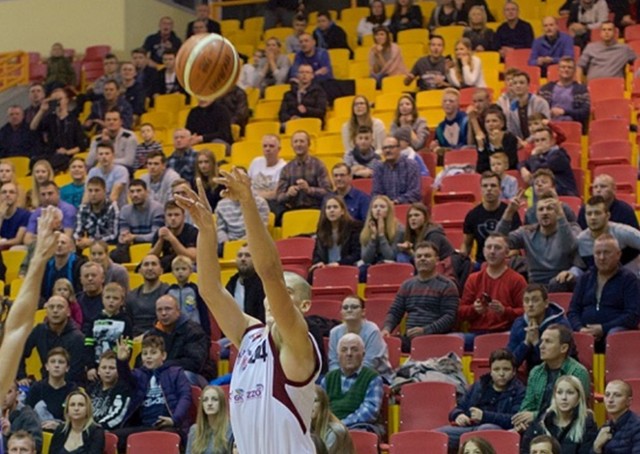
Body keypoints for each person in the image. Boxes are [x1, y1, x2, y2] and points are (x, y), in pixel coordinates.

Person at [175, 168, 321, 453]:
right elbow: (210, 291)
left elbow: (270, 274)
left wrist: (248, 204)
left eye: (287, 294)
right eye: (273, 295)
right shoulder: (251, 335)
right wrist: (206, 230)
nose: (271, 298)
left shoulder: (297, 343)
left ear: (303, 305)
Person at [438, 349, 525, 452]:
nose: (501, 373)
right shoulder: (479, 385)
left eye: (506, 369)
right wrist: (459, 415)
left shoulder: (520, 390)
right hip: (469, 428)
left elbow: (514, 420)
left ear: (514, 372)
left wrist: (484, 416)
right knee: (438, 435)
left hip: (498, 431)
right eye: (496, 369)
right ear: (491, 371)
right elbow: (458, 408)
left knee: (485, 428)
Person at [113, 335, 192, 450]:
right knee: (113, 437)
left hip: (170, 425)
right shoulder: (139, 374)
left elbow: (185, 396)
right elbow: (125, 378)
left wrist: (174, 420)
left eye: (153, 353)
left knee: (164, 437)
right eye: (145, 354)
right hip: (144, 426)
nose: (148, 357)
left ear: (163, 355)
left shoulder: (175, 372)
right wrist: (122, 361)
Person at [382, 241, 460, 352]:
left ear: (437, 260)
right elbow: (395, 311)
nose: (422, 259)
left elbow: (449, 318)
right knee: (381, 344)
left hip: (436, 340)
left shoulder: (448, 286)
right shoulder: (407, 285)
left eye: (427, 256)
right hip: (409, 340)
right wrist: (387, 329)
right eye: (419, 256)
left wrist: (425, 330)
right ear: (414, 260)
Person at [512, 324, 591, 433]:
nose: (541, 346)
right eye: (541, 341)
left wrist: (535, 416)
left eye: (548, 342)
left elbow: (574, 411)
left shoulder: (578, 372)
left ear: (563, 348)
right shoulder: (535, 372)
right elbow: (527, 406)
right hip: (536, 428)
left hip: (567, 430)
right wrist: (522, 421)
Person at [568, 234, 640, 348]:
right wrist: (580, 329)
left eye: (606, 252)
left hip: (614, 332)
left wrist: (603, 328)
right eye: (598, 253)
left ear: (618, 255)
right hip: (584, 331)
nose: (601, 257)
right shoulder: (584, 278)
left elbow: (632, 315)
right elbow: (573, 311)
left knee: (614, 335)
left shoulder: (629, 279)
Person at [497, 190, 581, 287]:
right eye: (541, 209)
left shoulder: (572, 228)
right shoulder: (527, 232)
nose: (545, 213)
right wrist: (509, 213)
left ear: (558, 210)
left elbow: (568, 247)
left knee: (557, 283)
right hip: (535, 287)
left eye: (550, 208)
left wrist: (561, 215)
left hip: (561, 283)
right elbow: (499, 242)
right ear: (536, 214)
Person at [458, 233, 526, 350]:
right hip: (477, 334)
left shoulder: (517, 280)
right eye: (489, 247)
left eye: (497, 248)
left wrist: (504, 311)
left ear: (507, 252)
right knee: (452, 339)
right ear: (483, 251)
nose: (492, 251)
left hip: (506, 333)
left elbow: (526, 313)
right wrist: (474, 309)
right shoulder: (473, 279)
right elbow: (461, 311)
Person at [321, 333, 384, 432]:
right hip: (330, 427)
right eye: (344, 350)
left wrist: (341, 424)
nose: (349, 354)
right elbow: (321, 407)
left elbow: (370, 410)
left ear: (363, 355)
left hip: (359, 426)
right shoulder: (328, 378)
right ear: (338, 356)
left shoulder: (373, 378)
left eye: (354, 350)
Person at [148, 295, 215, 386]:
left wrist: (163, 365)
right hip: (160, 374)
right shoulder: (151, 334)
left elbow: (194, 363)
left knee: (182, 376)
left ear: (178, 311)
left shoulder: (194, 331)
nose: (163, 313)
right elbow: (141, 360)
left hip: (195, 376)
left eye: (168, 309)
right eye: (159, 310)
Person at [520, 375, 598, 454]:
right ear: (554, 396)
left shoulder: (587, 425)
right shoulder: (541, 421)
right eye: (559, 392)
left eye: (570, 393)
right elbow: (525, 450)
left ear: (578, 398)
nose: (564, 397)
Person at [18, 294, 85, 384]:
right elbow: (19, 352)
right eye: (51, 307)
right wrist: (22, 376)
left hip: (69, 387)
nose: (55, 310)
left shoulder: (78, 338)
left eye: (60, 307)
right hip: (44, 383)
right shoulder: (39, 330)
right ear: (46, 311)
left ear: (68, 312)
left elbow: (75, 373)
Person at [507, 284, 572, 372]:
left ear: (546, 303)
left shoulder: (560, 324)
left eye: (535, 300)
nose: (530, 305)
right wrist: (526, 343)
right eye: (526, 301)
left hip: (561, 374)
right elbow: (510, 363)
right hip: (532, 375)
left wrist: (536, 343)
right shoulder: (519, 324)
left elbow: (557, 361)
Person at [328, 296, 392, 383]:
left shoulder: (372, 330)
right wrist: (337, 379)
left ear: (363, 312)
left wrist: (350, 380)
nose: (349, 310)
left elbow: (370, 363)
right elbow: (333, 362)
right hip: (342, 377)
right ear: (341, 312)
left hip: (375, 376)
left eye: (354, 307)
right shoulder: (334, 332)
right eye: (345, 308)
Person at [461, 171, 522, 264]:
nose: (489, 189)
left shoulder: (511, 212)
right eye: (485, 186)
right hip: (481, 264)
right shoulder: (472, 215)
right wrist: (462, 260)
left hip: (506, 262)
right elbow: (466, 244)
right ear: (480, 189)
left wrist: (501, 257)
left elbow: (516, 249)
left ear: (500, 189)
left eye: (493, 186)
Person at [29, 87, 87, 172]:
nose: (58, 102)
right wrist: (42, 110)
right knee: (34, 161)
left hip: (66, 155)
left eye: (60, 99)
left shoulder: (73, 120)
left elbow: (82, 145)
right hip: (50, 154)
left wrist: (67, 152)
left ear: (66, 100)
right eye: (55, 100)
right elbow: (33, 127)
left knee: (58, 161)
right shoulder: (50, 118)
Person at [275, 131, 331, 218]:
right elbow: (279, 197)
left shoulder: (318, 165)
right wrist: (288, 194)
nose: (298, 144)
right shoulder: (286, 169)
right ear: (292, 145)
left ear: (309, 144)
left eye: (302, 141)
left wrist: (309, 190)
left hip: (315, 210)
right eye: (296, 141)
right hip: (293, 211)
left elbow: (328, 192)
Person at [84, 282, 132, 382]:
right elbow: (88, 345)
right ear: (102, 299)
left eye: (115, 298)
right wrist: (90, 367)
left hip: (116, 368)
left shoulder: (126, 321)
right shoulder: (94, 320)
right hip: (97, 368)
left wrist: (122, 364)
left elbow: (128, 346)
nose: (111, 301)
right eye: (108, 297)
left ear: (122, 301)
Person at [110, 180, 164, 264]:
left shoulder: (157, 209)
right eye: (132, 192)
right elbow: (124, 234)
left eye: (139, 191)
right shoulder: (125, 210)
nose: (135, 195)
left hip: (153, 247)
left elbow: (155, 236)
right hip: (130, 246)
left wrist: (135, 237)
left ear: (147, 192)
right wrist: (125, 237)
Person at [25, 347, 78, 431]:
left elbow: (78, 419)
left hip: (64, 434)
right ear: (46, 366)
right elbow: (26, 415)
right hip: (38, 433)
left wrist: (59, 426)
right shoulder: (36, 388)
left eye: (61, 362)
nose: (56, 365)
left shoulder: (73, 390)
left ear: (67, 368)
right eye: (53, 362)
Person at [309, 196, 362, 274]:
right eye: (328, 208)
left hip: (346, 266)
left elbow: (357, 254)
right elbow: (317, 253)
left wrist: (339, 263)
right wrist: (319, 262)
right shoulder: (321, 230)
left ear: (342, 211)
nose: (332, 210)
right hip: (326, 268)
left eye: (335, 207)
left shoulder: (354, 228)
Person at [520, 127, 578, 197]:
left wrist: (533, 156)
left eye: (543, 140)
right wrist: (523, 169)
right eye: (537, 141)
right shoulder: (539, 156)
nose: (540, 143)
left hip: (564, 193)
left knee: (538, 188)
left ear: (552, 141)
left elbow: (538, 169)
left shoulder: (559, 155)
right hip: (545, 194)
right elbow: (521, 163)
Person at [538, 57, 590, 129]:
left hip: (572, 126)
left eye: (569, 67)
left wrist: (564, 112)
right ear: (558, 70)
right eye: (563, 67)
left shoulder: (581, 89)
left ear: (574, 71)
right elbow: (538, 110)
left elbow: (585, 112)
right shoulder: (546, 88)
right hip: (549, 127)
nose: (566, 69)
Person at [126, 254, 170, 336]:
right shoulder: (131, 296)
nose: (150, 268)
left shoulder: (168, 292)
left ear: (161, 270)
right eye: (146, 264)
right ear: (140, 271)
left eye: (154, 264)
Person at [49, 389, 105, 454]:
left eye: (81, 405)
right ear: (67, 410)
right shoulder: (60, 430)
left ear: (87, 409)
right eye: (72, 405)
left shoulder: (96, 432)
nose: (76, 408)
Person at [167, 255, 211, 334]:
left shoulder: (195, 289)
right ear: (172, 272)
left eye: (184, 269)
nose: (180, 272)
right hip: (174, 329)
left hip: (194, 328)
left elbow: (202, 310)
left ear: (190, 271)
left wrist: (206, 331)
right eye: (177, 269)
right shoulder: (170, 291)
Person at [593, 379, 640, 453]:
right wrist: (597, 447)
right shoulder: (604, 428)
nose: (610, 400)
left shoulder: (637, 427)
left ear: (629, 401)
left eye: (617, 395)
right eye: (607, 395)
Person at [372, 136, 422, 204]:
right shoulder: (379, 168)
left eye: (391, 147)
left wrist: (397, 201)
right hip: (386, 210)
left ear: (399, 148)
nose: (387, 150)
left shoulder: (411, 165)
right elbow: (376, 193)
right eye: (385, 148)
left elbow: (414, 193)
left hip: (407, 208)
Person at [150, 201, 198, 272]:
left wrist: (172, 239)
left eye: (176, 215)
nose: (173, 218)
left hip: (187, 267)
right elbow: (151, 257)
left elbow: (192, 258)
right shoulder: (161, 232)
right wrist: (160, 240)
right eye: (169, 215)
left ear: (183, 216)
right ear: (165, 217)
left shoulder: (192, 231)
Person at [88, 350, 131, 430]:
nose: (107, 371)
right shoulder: (91, 388)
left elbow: (118, 415)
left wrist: (98, 428)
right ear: (98, 371)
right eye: (104, 368)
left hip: (107, 431)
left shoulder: (123, 389)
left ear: (118, 370)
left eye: (112, 368)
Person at [359, 195, 404, 270]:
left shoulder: (399, 229)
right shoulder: (367, 229)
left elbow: (390, 257)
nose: (378, 209)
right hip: (373, 264)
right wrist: (373, 238)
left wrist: (381, 235)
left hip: (391, 265)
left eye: (382, 207)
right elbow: (366, 260)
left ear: (388, 210)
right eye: (375, 207)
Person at [74, 177, 120, 249]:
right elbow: (77, 232)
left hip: (109, 247)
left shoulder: (112, 207)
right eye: (90, 191)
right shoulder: (82, 208)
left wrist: (92, 242)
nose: (93, 194)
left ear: (104, 191)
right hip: (88, 247)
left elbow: (113, 235)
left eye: (97, 190)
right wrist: (79, 240)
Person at [185, 385, 233, 454]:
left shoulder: (230, 429)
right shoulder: (194, 430)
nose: (209, 403)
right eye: (205, 400)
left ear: (221, 403)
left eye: (214, 399)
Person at [505, 71, 551, 140]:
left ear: (528, 86)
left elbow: (545, 126)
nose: (518, 85)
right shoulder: (511, 107)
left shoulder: (541, 103)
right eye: (515, 83)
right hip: (520, 145)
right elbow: (511, 130)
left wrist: (528, 142)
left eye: (521, 83)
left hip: (540, 141)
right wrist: (519, 142)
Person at [311, 385, 355, 454]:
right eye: (307, 400)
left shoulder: (335, 431)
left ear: (323, 405)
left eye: (315, 401)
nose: (310, 404)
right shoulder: (305, 427)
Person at [248, 134, 287, 211]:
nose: (267, 149)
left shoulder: (284, 167)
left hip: (269, 204)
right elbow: (246, 185)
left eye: (271, 146)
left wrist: (252, 195)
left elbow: (275, 194)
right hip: (250, 202)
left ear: (279, 149)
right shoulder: (256, 162)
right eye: (265, 146)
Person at [40, 233, 85, 300]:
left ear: (71, 247)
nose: (59, 245)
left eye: (63, 243)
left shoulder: (79, 265)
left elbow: (80, 292)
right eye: (56, 243)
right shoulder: (46, 265)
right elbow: (40, 292)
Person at [2, 382, 43, 453]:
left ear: (17, 394)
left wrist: (9, 434)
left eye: (9, 392)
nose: (3, 396)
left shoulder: (28, 416)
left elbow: (36, 446)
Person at [476, 106, 519, 173]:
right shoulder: (484, 140)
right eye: (487, 122)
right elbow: (480, 169)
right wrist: (481, 149)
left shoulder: (510, 138)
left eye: (494, 121)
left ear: (502, 124)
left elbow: (510, 164)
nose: (491, 124)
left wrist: (497, 145)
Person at [86, 142, 130, 208]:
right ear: (97, 156)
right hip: (97, 210)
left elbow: (114, 195)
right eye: (101, 154)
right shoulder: (92, 172)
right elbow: (87, 194)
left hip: (119, 210)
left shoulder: (121, 170)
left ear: (113, 155)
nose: (104, 157)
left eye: (107, 153)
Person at [0, 181, 29, 250]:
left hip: (16, 248)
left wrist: (2, 243)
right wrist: (1, 216)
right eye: (4, 192)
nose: (7, 195)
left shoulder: (24, 214)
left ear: (17, 196)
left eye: (11, 192)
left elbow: (18, 240)